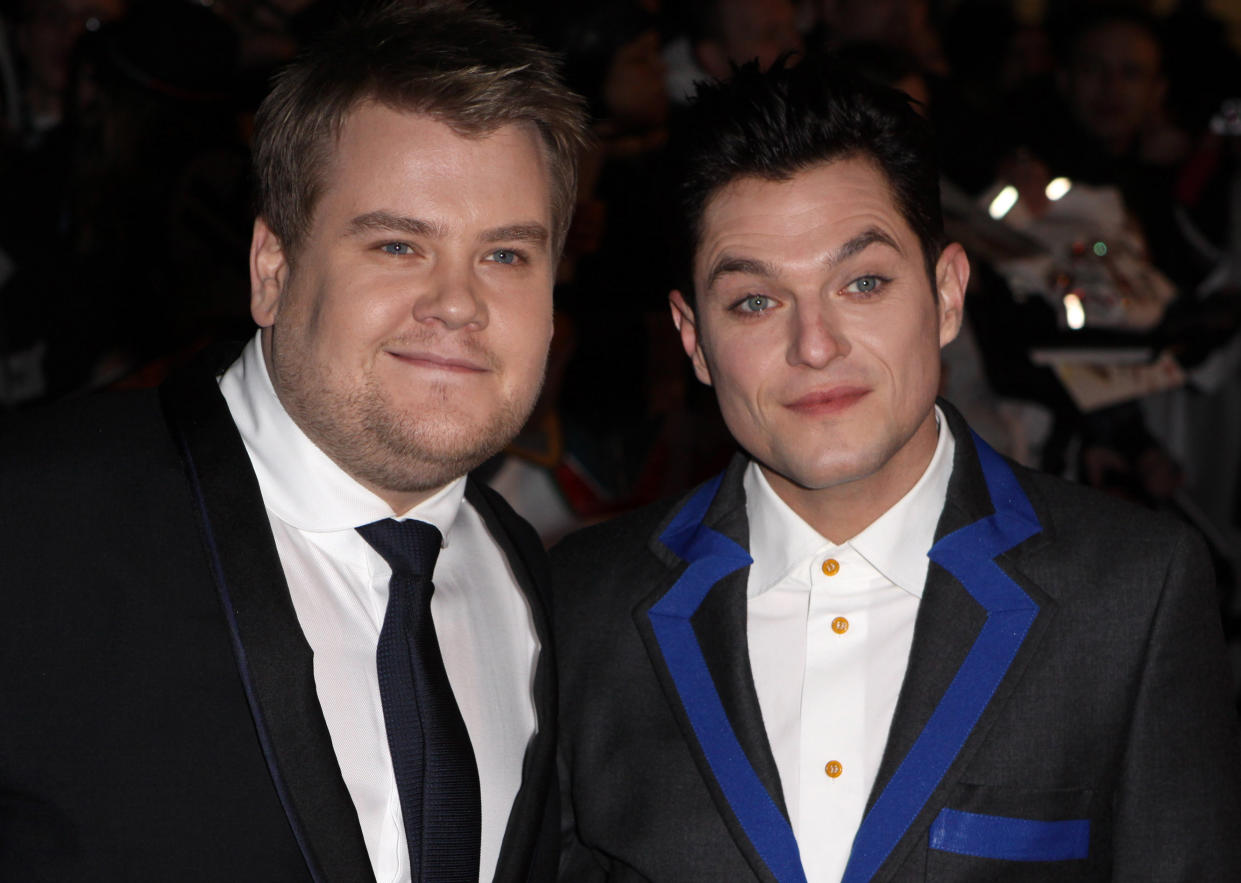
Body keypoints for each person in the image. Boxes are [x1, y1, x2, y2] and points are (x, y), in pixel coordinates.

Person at [552, 55, 1241, 881]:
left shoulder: (1131, 593)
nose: (815, 344)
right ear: (693, 337)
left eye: (864, 282)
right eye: (754, 301)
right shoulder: (580, 605)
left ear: (947, 293)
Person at [0, 1, 586, 880]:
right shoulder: (33, 522)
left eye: (506, 255)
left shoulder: (539, 583)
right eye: (397, 244)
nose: (458, 303)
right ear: (271, 271)